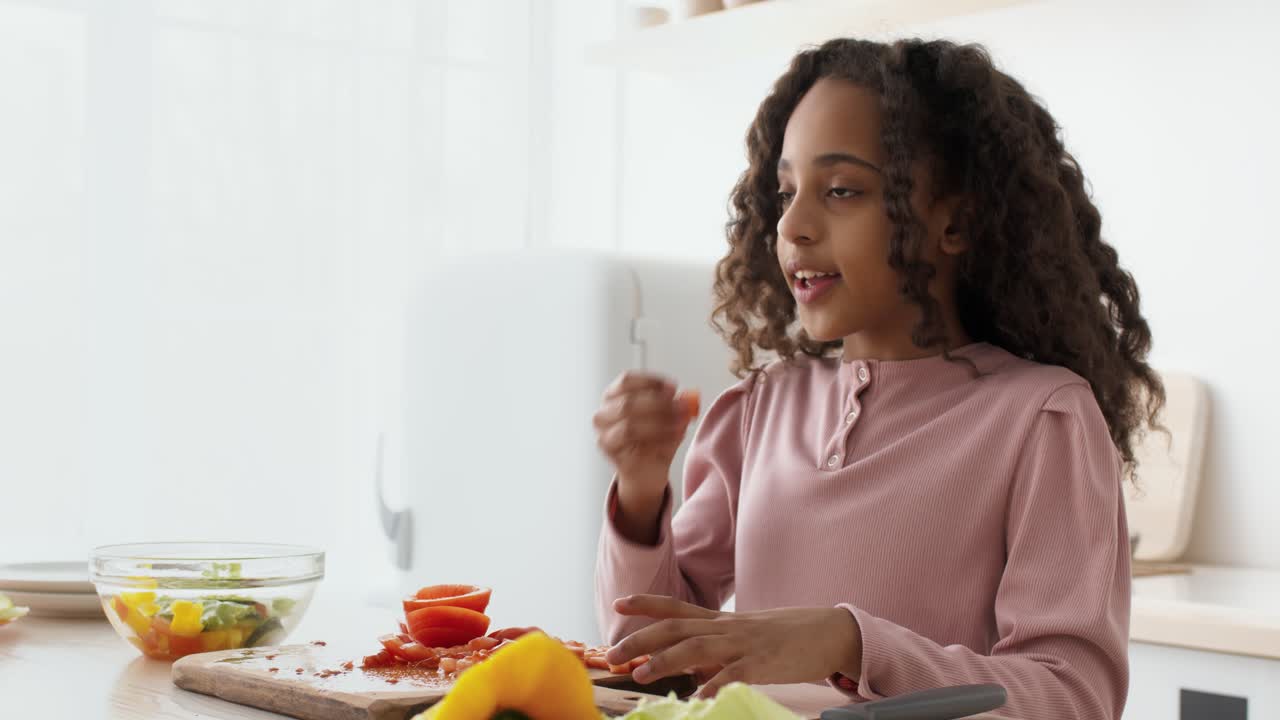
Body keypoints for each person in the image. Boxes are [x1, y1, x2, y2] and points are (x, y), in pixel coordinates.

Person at [592, 37, 1164, 720]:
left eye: (841, 190)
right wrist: (640, 489)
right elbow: (640, 654)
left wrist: (854, 644)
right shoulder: (761, 409)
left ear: (953, 220)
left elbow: (1074, 697)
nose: (794, 226)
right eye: (784, 193)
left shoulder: (1041, 418)